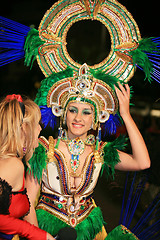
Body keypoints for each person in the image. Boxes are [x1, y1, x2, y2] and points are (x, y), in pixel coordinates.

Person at [25, 64, 151, 240]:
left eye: (86, 112)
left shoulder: (101, 151)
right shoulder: (43, 149)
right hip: (47, 230)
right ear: (63, 114)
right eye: (73, 110)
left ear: (95, 119)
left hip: (89, 231)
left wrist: (126, 115)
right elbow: (28, 202)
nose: (78, 118)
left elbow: (142, 162)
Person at [0, 94, 56, 240]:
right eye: (37, 123)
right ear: (25, 129)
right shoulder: (13, 164)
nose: (40, 128)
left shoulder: (15, 161)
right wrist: (38, 234)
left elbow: (23, 206)